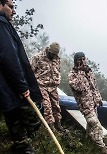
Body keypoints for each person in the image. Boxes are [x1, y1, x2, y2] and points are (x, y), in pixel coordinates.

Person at [0, 0, 42, 153]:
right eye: (10, 6)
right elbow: (9, 57)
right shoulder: (1, 23)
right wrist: (22, 86)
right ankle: (23, 146)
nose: (14, 11)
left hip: (8, 87)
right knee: (26, 119)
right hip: (11, 88)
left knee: (19, 121)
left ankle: (21, 144)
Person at [68, 52, 107, 154]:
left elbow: (94, 86)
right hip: (85, 106)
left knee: (90, 126)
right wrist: (81, 72)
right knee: (96, 126)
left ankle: (87, 142)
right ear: (75, 61)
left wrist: (98, 99)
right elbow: (79, 88)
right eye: (79, 60)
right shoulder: (73, 75)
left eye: (83, 59)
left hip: (93, 104)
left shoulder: (89, 72)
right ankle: (102, 148)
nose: (82, 62)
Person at [31, 42, 65, 132]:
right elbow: (30, 71)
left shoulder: (57, 59)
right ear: (49, 50)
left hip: (53, 87)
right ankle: (51, 127)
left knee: (56, 106)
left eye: (55, 54)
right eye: (52, 54)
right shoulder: (38, 57)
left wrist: (57, 79)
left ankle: (58, 124)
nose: (53, 56)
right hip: (42, 85)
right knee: (47, 106)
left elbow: (58, 70)